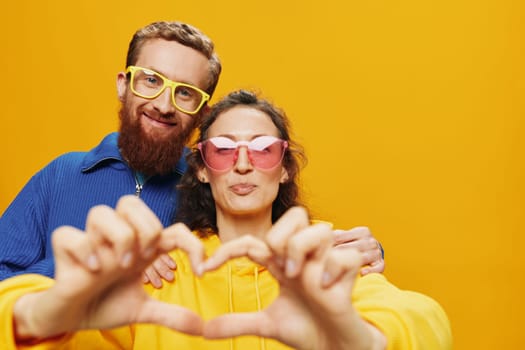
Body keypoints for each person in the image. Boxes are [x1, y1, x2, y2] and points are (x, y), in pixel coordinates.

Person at [1, 90, 452, 349]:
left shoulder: (321, 263)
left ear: (285, 166)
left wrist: (357, 339)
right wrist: (56, 304)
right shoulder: (164, 272)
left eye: (262, 148)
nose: (242, 164)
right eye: (223, 149)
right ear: (200, 166)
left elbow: (424, 320)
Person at [0, 21, 385, 287]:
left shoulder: (219, 181)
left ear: (202, 111)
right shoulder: (60, 176)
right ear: (124, 85)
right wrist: (90, 264)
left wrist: (365, 250)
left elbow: (276, 242)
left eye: (184, 92)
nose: (164, 104)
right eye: (151, 81)